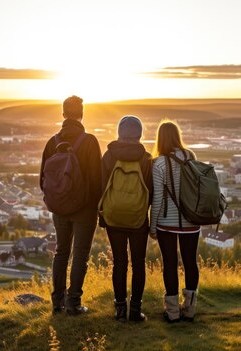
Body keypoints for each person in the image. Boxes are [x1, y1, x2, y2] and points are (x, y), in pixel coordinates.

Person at [40, 95, 102, 315]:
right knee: (80, 255)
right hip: (84, 210)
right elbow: (97, 181)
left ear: (63, 114)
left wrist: (57, 201)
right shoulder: (90, 142)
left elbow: (43, 180)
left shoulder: (52, 142)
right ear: (82, 114)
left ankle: (57, 302)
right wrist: (94, 207)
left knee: (61, 253)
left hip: (59, 209)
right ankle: (73, 304)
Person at [99, 115, 153, 322]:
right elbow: (150, 191)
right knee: (138, 263)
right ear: (139, 134)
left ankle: (120, 309)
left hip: (113, 218)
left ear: (120, 133)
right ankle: (135, 310)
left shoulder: (109, 156)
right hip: (139, 219)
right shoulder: (146, 158)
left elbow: (102, 188)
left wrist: (103, 215)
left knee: (119, 262)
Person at [149, 120, 200, 323]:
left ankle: (172, 312)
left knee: (169, 264)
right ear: (178, 136)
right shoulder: (191, 156)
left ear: (160, 138)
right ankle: (190, 310)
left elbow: (158, 198)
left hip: (166, 223)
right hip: (191, 221)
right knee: (190, 262)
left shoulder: (159, 163)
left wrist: (152, 227)